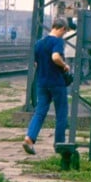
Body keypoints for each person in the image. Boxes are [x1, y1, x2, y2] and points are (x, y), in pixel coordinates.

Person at [22, 17, 73, 155]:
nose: (64, 34)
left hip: (42, 83)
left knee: (39, 112)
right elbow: (55, 57)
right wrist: (65, 65)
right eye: (65, 31)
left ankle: (29, 138)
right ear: (62, 29)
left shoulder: (39, 43)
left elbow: (36, 64)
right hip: (56, 83)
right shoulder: (57, 41)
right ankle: (59, 145)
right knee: (61, 114)